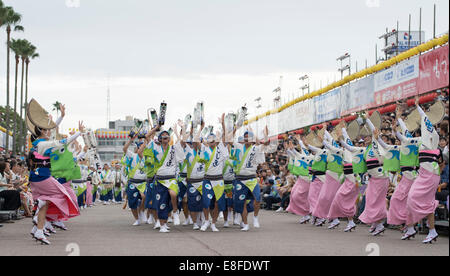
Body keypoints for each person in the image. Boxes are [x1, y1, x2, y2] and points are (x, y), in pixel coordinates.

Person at [403, 96, 442, 244]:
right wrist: (399, 123)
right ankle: (422, 229)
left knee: (414, 198)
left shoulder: (434, 136)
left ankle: (425, 228)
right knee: (416, 200)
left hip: (431, 174)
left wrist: (418, 106)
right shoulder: (421, 140)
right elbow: (406, 138)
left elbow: (425, 118)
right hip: (424, 174)